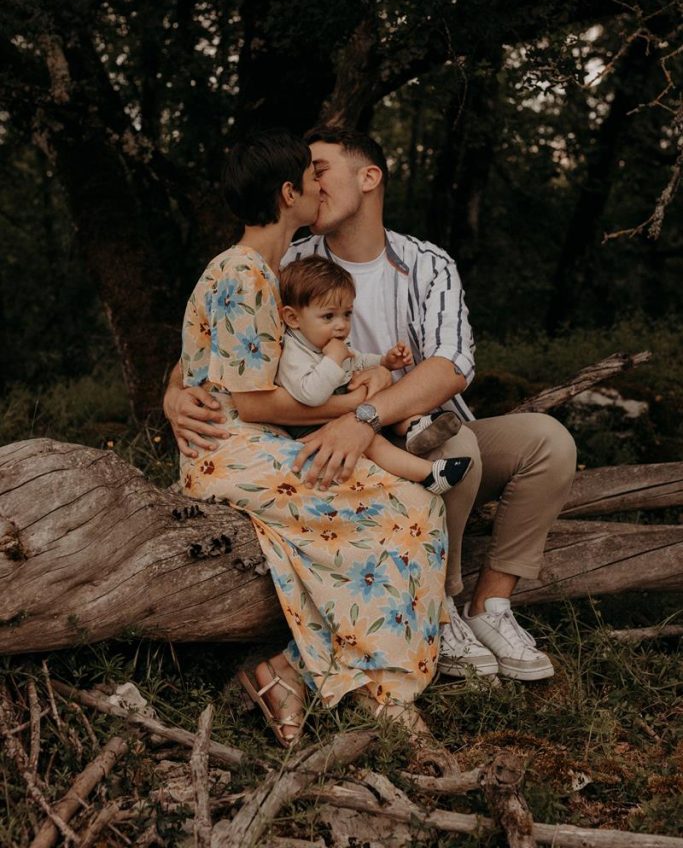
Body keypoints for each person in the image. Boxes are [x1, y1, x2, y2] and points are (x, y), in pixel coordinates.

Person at [165, 126, 577, 684]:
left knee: (547, 441)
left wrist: (365, 414)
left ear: (369, 177)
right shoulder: (288, 261)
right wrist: (173, 393)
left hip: (400, 422)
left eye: (322, 169)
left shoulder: (427, 263)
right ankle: (442, 609)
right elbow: (224, 341)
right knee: (454, 453)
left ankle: (492, 607)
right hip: (331, 434)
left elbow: (451, 365)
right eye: (307, 174)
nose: (314, 181)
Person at [177, 128, 450, 749]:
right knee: (407, 507)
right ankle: (385, 694)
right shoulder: (245, 272)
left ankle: (294, 673)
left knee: (410, 503)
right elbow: (247, 400)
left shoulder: (275, 271)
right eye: (310, 177)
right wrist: (360, 404)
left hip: (251, 444)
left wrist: (366, 373)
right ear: (286, 194)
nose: (319, 185)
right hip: (229, 451)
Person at [277, 254, 471, 494]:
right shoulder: (293, 352)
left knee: (389, 401)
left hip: (344, 407)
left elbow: (356, 360)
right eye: (329, 316)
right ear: (293, 318)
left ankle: (416, 427)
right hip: (316, 425)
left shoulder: (325, 341)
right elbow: (310, 395)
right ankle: (430, 474)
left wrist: (384, 362)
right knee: (373, 442)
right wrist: (334, 359)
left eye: (347, 314)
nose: (341, 325)